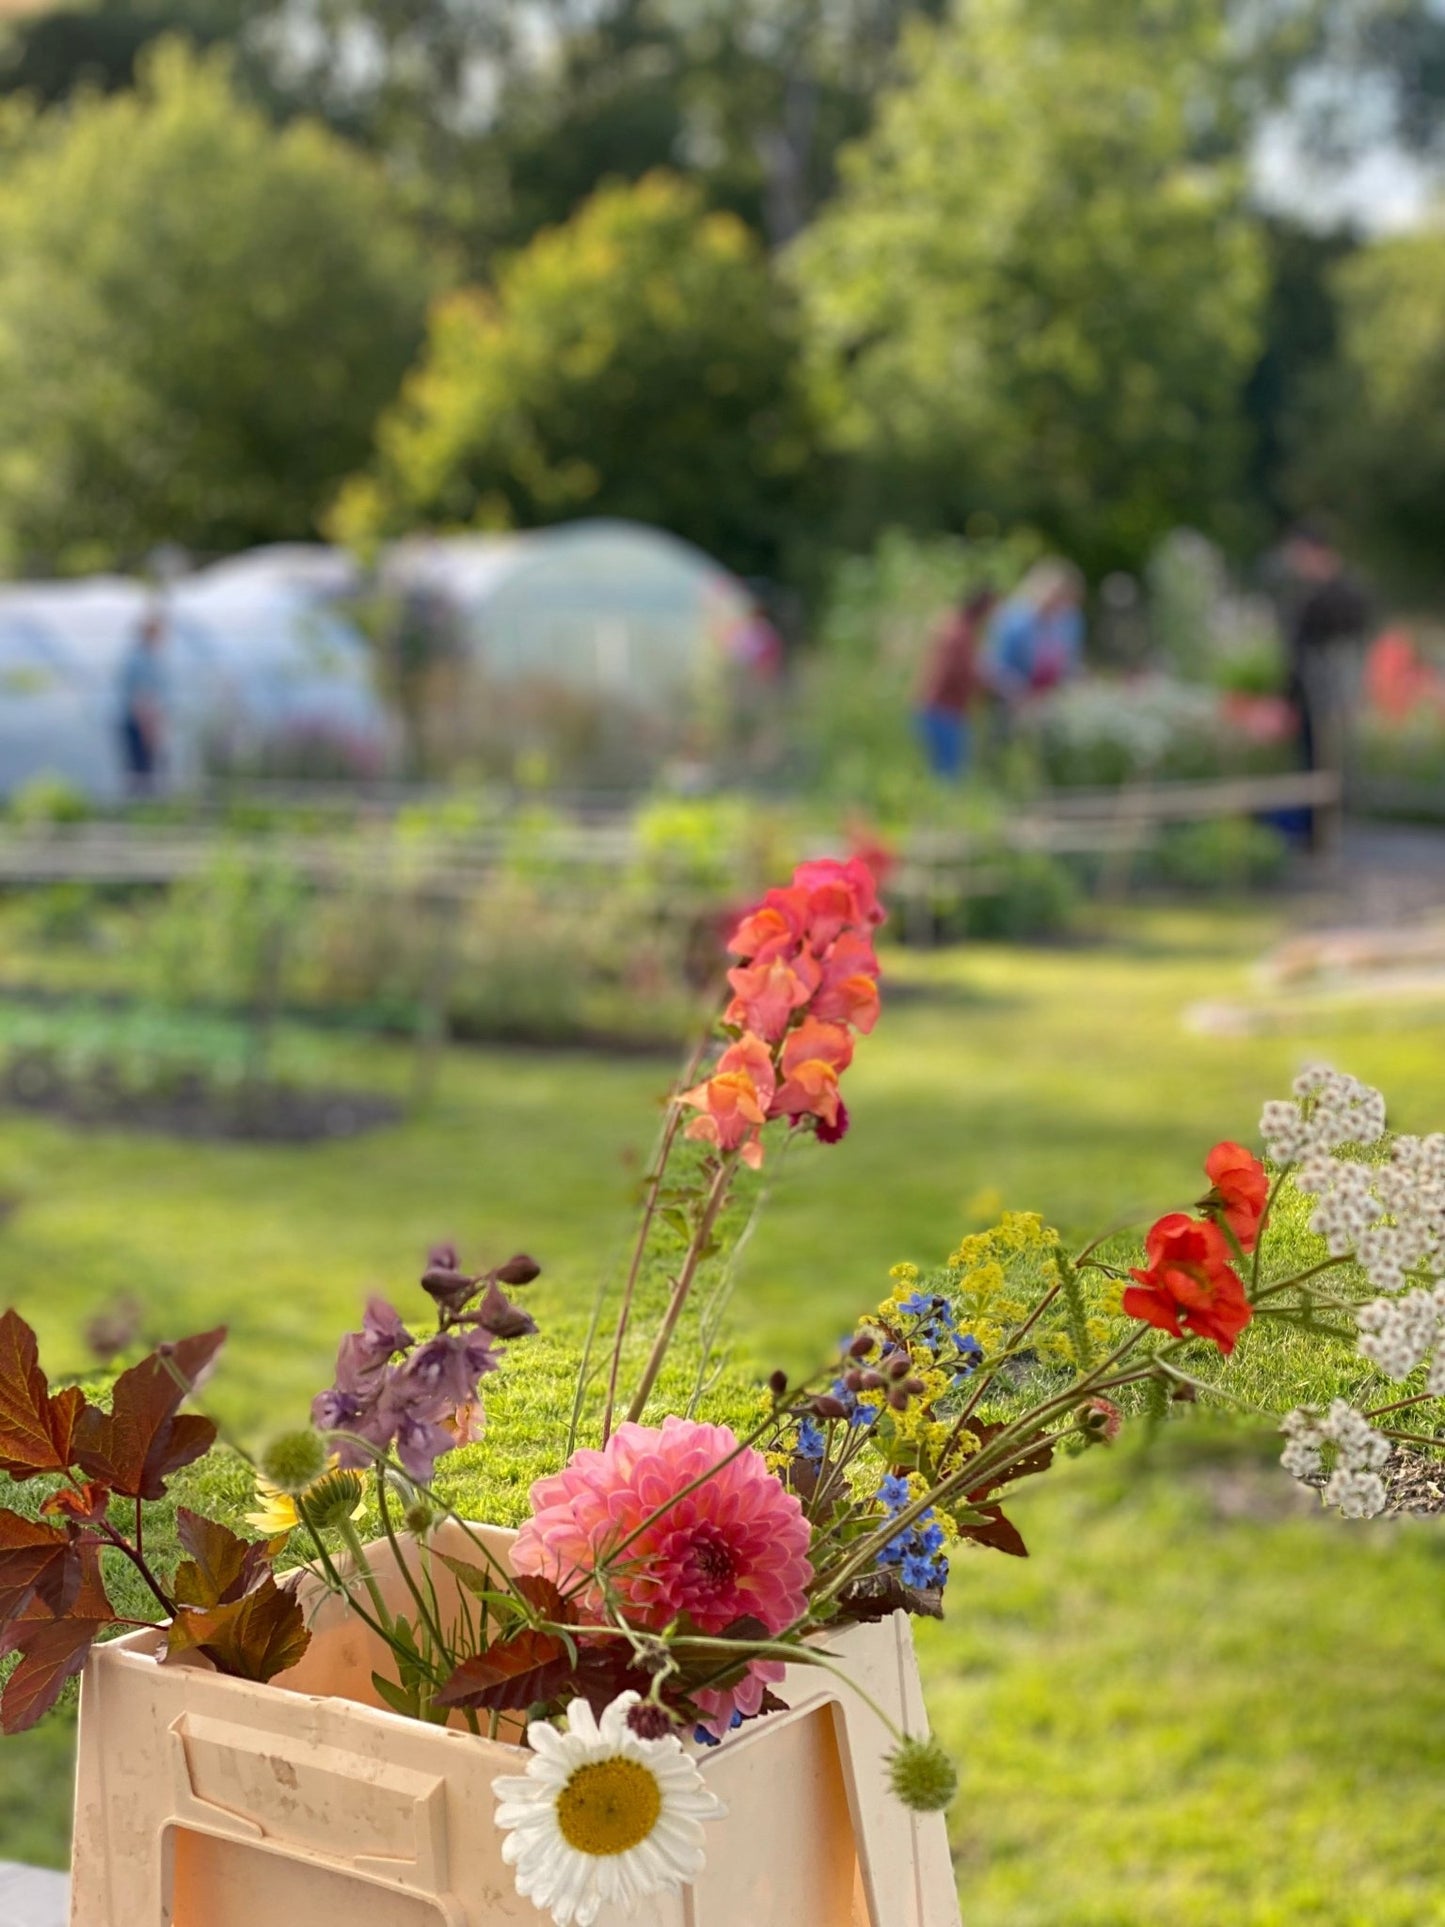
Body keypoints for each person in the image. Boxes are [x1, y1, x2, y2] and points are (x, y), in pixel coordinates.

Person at [980, 558, 1085, 714]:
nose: (1057, 604)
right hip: (1012, 702)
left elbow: (1070, 663)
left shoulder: (1069, 621)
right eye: (1054, 595)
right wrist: (1019, 695)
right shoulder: (1011, 619)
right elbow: (992, 667)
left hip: (1051, 704)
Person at [914, 586, 998, 780]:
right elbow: (957, 672)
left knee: (946, 774)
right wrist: (985, 681)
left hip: (942, 710)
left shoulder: (958, 628)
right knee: (948, 777)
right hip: (943, 710)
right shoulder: (958, 633)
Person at [118, 607, 170, 794]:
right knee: (141, 770)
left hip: (142, 721)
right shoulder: (140, 659)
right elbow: (141, 699)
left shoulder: (144, 657)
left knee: (141, 769)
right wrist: (149, 729)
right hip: (139, 723)